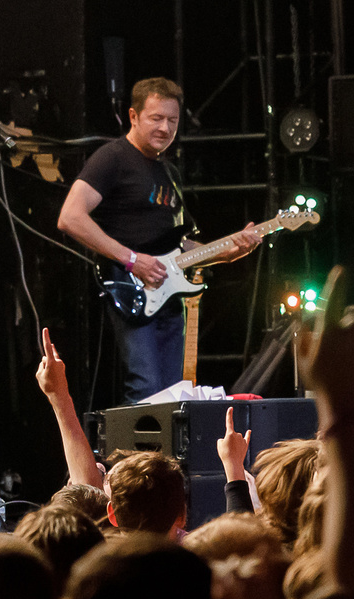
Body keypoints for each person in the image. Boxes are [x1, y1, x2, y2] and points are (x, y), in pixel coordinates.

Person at [56, 78, 259, 402]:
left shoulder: (170, 174)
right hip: (131, 290)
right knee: (146, 387)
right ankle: (131, 455)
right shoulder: (112, 158)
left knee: (171, 394)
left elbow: (184, 249)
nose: (165, 127)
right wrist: (132, 260)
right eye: (156, 118)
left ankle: (160, 455)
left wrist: (229, 252)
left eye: (172, 120)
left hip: (169, 295)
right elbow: (70, 217)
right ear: (133, 116)